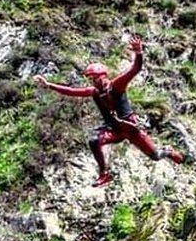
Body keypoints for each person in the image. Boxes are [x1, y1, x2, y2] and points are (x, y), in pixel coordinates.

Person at [34, 36, 184, 187]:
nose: (92, 82)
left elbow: (135, 69)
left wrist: (139, 53)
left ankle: (168, 151)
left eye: (93, 79)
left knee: (156, 156)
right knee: (94, 140)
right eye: (91, 80)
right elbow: (72, 91)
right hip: (114, 129)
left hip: (131, 128)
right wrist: (49, 85)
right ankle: (104, 174)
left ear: (101, 77)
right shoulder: (94, 91)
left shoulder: (116, 86)